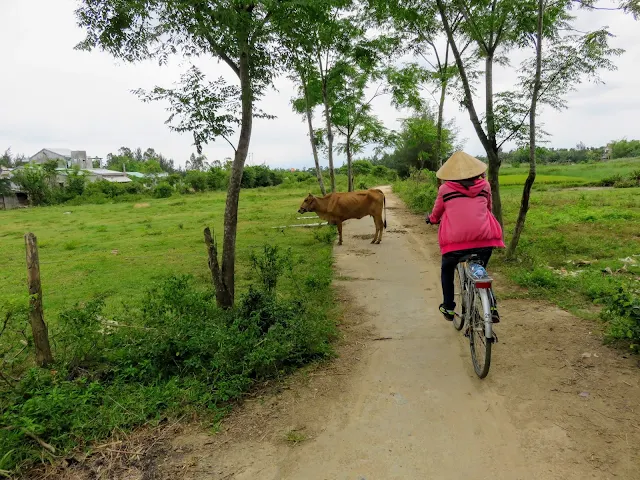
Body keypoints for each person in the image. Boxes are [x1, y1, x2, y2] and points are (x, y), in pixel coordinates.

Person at [425, 151, 504, 322]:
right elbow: (488, 209)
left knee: (447, 269)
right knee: (481, 268)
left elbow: (436, 214)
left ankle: (448, 307)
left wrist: (430, 219)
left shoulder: (445, 189)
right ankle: (492, 305)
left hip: (455, 244)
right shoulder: (485, 186)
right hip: (485, 240)